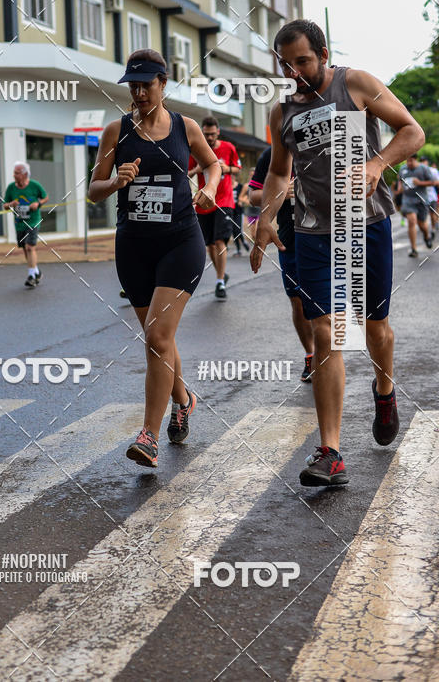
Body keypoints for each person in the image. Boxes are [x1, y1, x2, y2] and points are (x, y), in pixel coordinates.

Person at [250, 19, 424, 488]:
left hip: (365, 224)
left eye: (302, 61)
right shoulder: (282, 112)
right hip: (313, 233)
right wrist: (265, 219)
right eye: (285, 64)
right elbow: (279, 174)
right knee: (326, 333)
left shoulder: (357, 84)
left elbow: (412, 132)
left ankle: (384, 391)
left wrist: (376, 163)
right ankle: (331, 452)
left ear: (323, 54)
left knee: (375, 328)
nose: (295, 72)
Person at [88, 48, 220, 469]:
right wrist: (115, 181)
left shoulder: (186, 126)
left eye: (147, 84)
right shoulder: (116, 131)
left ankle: (148, 435)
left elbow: (213, 165)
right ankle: (184, 399)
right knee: (157, 336)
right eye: (134, 85)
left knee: (157, 339)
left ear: (164, 84)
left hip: (181, 241)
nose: (140, 92)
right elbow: (93, 188)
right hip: (134, 245)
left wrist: (211, 188)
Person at [248, 146, 315, 383]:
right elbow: (253, 195)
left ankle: (328, 354)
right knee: (298, 302)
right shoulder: (273, 153)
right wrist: (280, 192)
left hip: (326, 236)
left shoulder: (328, 143)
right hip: (290, 238)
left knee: (326, 301)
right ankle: (311, 354)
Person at [188, 116, 240, 299]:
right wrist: (198, 169)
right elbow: (188, 173)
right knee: (209, 244)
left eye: (211, 134)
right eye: (206, 134)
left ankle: (219, 283)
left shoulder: (228, 147)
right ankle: (222, 274)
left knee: (220, 241)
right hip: (204, 202)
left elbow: (237, 169)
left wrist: (226, 169)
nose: (209, 137)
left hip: (224, 201)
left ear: (218, 131)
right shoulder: (196, 149)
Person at [3, 162, 49, 288]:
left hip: (33, 221)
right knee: (24, 248)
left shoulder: (34, 185)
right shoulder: (11, 188)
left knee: (30, 247)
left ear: (24, 174)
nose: (14, 175)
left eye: (16, 173)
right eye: (14, 173)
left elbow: (45, 197)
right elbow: (5, 205)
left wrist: (38, 204)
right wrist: (11, 204)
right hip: (19, 223)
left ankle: (31, 276)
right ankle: (36, 272)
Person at [396, 154, 435, 256]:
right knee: (412, 221)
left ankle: (427, 236)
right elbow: (400, 181)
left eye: (411, 161)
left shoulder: (423, 169)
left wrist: (419, 183)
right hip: (408, 200)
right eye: (407, 161)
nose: (409, 163)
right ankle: (414, 249)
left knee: (422, 225)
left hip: (421, 200)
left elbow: (433, 182)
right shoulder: (403, 169)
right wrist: (399, 189)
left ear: (415, 160)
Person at [421, 156, 439, 236]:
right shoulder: (419, 171)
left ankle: (433, 229)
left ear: (427, 162)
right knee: (423, 216)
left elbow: (437, 182)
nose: (423, 162)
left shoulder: (433, 171)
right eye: (421, 161)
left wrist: (429, 183)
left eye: (424, 161)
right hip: (422, 197)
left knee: (432, 214)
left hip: (432, 196)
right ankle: (427, 232)